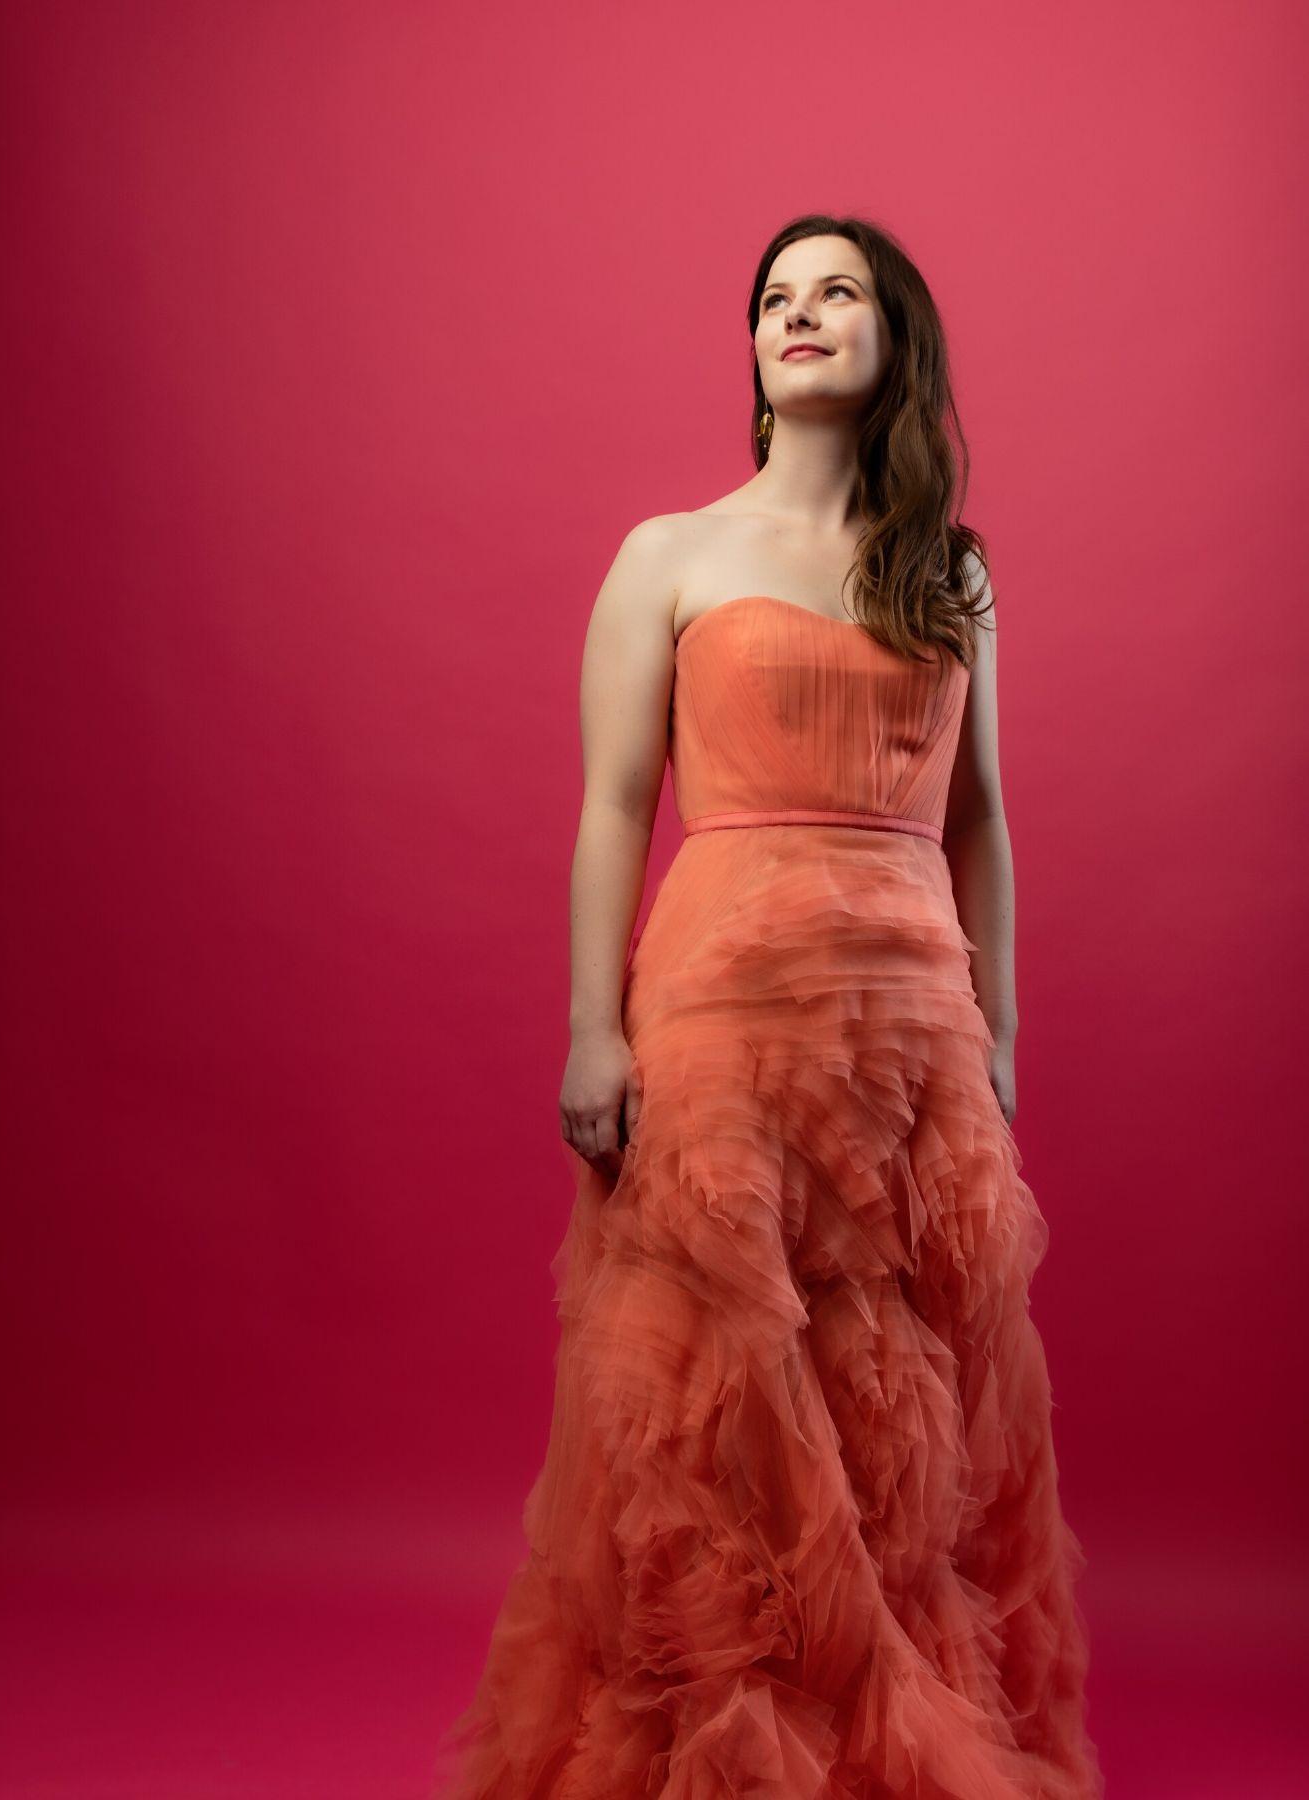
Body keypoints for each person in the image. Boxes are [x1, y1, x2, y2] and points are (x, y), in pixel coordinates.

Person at [432, 212, 1104, 1799]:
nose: (798, 316)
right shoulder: (667, 555)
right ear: (750, 350)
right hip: (723, 1006)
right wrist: (592, 1026)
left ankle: (880, 1741)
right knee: (715, 1384)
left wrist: (998, 1028)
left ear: (892, 339)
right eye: (775, 298)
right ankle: (725, 1751)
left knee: (902, 1392)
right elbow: (614, 805)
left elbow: (981, 819)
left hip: (909, 1024)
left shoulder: (948, 570)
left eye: (836, 292)